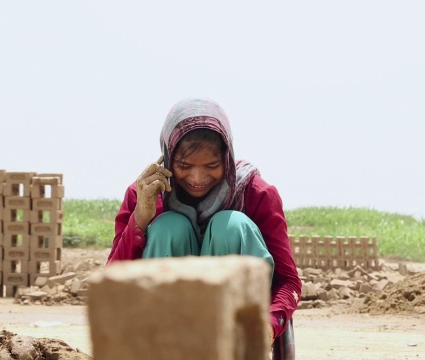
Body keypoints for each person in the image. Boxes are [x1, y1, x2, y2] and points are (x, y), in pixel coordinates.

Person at [108, 98, 301, 359]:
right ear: (167, 158)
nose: (197, 179)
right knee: (168, 227)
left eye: (211, 166)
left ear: (227, 157)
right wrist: (141, 219)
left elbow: (288, 281)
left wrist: (266, 327)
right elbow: (114, 281)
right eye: (184, 166)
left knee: (231, 226)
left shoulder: (256, 194)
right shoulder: (146, 194)